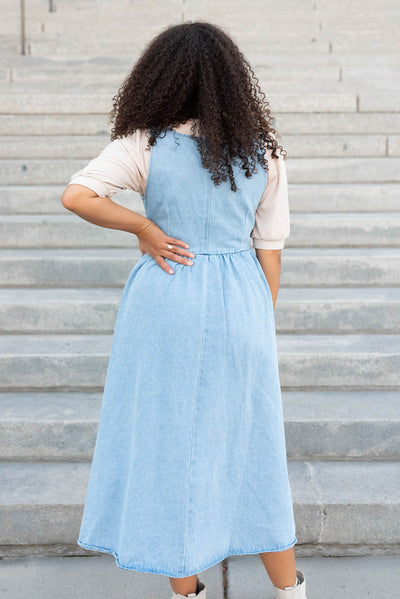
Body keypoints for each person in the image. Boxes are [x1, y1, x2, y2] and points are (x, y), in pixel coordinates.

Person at [61, 21, 307, 599]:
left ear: (159, 78)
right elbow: (270, 250)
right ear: (233, 82)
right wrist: (257, 322)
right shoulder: (262, 151)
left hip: (166, 298)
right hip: (239, 301)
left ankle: (187, 593)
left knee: (173, 448)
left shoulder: (143, 143)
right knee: (254, 451)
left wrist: (144, 227)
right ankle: (290, 591)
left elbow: (77, 195)